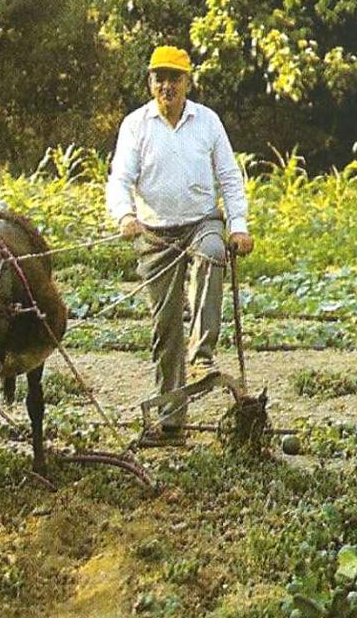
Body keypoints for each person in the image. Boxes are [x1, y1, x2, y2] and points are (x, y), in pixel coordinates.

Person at [106, 45, 254, 446]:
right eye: (160, 77)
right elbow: (120, 179)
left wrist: (237, 226)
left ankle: (202, 353)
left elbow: (229, 177)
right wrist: (124, 215)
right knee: (166, 326)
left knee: (211, 252)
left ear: (189, 82)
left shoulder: (207, 122)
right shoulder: (136, 125)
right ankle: (171, 425)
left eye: (175, 77)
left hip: (200, 223)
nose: (167, 85)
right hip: (154, 235)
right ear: (150, 82)